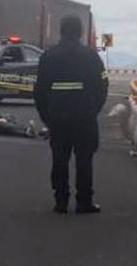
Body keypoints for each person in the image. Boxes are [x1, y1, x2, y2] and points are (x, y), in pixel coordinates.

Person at [33, 15, 108, 214]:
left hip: (57, 117)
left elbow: (39, 91)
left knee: (59, 159)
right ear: (80, 32)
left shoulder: (48, 57)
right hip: (84, 117)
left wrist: (46, 116)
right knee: (84, 160)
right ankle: (84, 202)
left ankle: (61, 201)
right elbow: (102, 87)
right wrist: (93, 110)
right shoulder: (91, 57)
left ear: (61, 31)